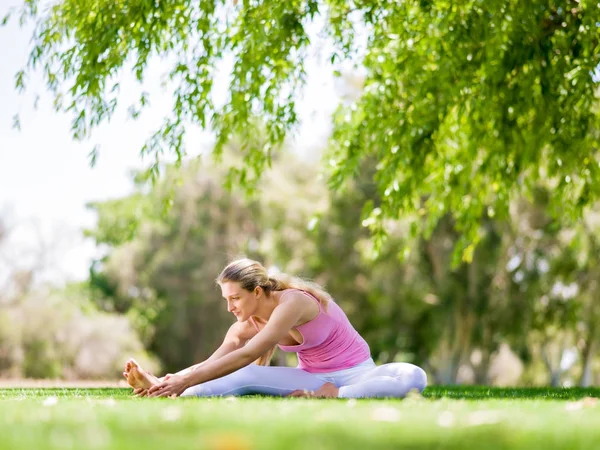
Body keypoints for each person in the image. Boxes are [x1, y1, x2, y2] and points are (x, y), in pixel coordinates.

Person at [123, 258, 427, 398]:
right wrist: (172, 380)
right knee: (244, 375)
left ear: (257, 292)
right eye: (226, 300)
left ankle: (340, 394)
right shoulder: (245, 325)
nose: (230, 307)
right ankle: (158, 388)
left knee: (414, 376)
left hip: (358, 373)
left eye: (235, 298)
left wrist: (340, 389)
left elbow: (251, 353)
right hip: (310, 378)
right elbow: (214, 363)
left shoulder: (293, 302)